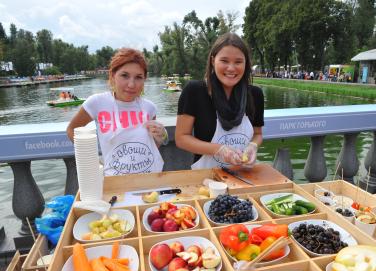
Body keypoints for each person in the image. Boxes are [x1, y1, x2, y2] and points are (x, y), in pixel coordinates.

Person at [67, 48, 167, 176]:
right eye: (124, 75)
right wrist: (92, 159)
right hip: (114, 184)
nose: (131, 84)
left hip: (148, 180)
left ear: (144, 79)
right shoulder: (97, 102)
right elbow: (71, 129)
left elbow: (150, 146)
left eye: (138, 77)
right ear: (113, 75)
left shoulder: (149, 108)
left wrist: (161, 136)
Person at [175, 33, 264, 169]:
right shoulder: (195, 91)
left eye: (238, 62)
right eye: (224, 61)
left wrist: (253, 146)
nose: (231, 68)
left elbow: (257, 134)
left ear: (246, 64)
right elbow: (181, 138)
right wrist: (219, 149)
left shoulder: (255, 94)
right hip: (206, 178)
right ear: (213, 61)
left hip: (244, 174)